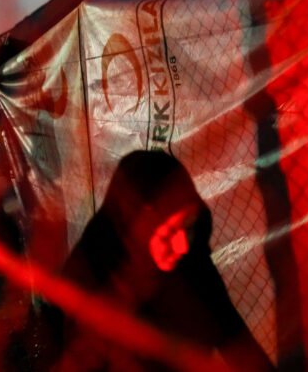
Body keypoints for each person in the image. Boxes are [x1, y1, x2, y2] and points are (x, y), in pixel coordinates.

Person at [35, 150, 275, 371]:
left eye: (188, 228)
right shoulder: (89, 276)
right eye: (170, 232)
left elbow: (240, 348)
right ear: (135, 227)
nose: (182, 245)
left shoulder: (192, 266)